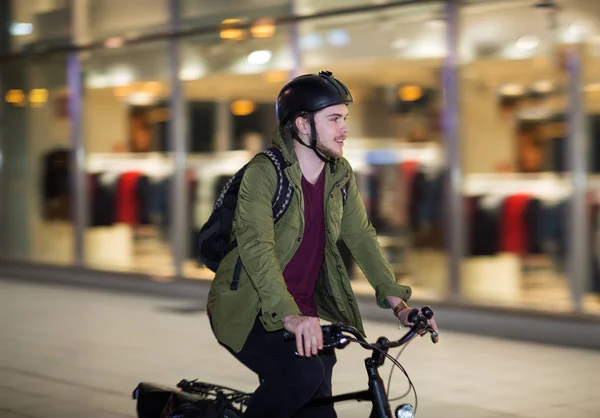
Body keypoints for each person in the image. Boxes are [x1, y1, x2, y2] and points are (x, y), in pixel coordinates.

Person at [206, 70, 439, 418]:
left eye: (344, 118)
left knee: (317, 401)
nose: (344, 128)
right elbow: (257, 248)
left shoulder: (339, 173)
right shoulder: (265, 173)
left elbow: (360, 236)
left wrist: (399, 305)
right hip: (251, 308)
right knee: (303, 374)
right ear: (302, 124)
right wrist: (290, 315)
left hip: (305, 314)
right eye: (333, 119)